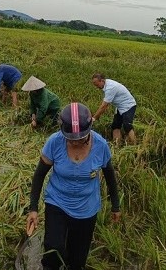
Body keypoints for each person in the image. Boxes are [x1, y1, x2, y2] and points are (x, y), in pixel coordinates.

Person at [26, 103, 120, 270]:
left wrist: (115, 206)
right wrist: (33, 208)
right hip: (57, 201)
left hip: (86, 207)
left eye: (81, 139)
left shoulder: (100, 146)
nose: (75, 143)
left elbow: (110, 176)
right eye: (71, 139)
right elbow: (39, 175)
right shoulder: (54, 142)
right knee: (53, 248)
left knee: (77, 259)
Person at [91, 73, 138, 145]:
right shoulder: (106, 84)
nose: (97, 87)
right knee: (115, 126)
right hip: (120, 107)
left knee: (127, 126)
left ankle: (135, 146)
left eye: (97, 85)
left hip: (129, 106)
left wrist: (94, 118)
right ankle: (116, 145)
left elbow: (104, 106)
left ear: (102, 81)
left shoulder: (111, 87)